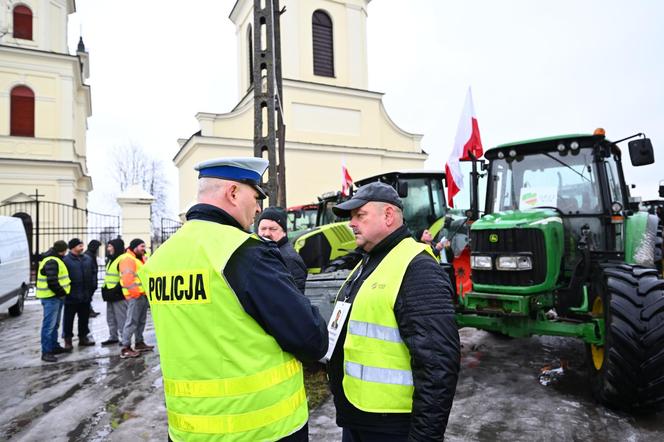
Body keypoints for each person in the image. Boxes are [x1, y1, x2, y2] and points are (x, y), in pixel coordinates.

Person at [140, 157, 328, 442]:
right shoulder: (245, 252)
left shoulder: (160, 259)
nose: (258, 208)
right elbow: (310, 337)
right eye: (255, 197)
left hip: (189, 429)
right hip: (261, 428)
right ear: (232, 193)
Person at [327, 182, 460, 441]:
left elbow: (438, 364)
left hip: (391, 427)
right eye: (351, 217)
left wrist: (425, 437)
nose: (351, 223)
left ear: (388, 215)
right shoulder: (369, 261)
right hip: (358, 418)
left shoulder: (417, 268)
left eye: (359, 215)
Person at [257, 206, 308, 293]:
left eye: (273, 229)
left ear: (284, 232)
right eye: (263, 229)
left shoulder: (288, 259)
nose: (266, 233)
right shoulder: (269, 252)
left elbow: (295, 296)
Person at [36, 240, 71, 362]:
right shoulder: (52, 261)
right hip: (52, 297)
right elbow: (52, 281)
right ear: (62, 250)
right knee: (49, 326)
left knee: (54, 324)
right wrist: (62, 293)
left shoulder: (54, 259)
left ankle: (54, 346)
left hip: (55, 297)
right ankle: (46, 352)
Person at [119, 238, 153, 358]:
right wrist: (135, 293)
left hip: (142, 295)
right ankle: (125, 347)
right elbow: (127, 279)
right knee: (132, 321)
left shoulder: (139, 259)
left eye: (144, 247)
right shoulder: (128, 259)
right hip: (135, 296)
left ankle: (139, 342)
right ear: (134, 247)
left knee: (141, 321)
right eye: (141, 246)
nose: (144, 249)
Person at [63, 238, 96, 349]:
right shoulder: (66, 260)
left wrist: (92, 287)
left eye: (82, 245)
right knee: (68, 319)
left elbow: (93, 273)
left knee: (84, 318)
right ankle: (68, 340)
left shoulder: (87, 259)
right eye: (79, 245)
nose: (82, 247)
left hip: (85, 295)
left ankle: (83, 337)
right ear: (72, 247)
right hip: (71, 296)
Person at [100, 238, 127, 346]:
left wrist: (117, 290)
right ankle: (113, 336)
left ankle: (124, 338)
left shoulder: (122, 259)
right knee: (110, 317)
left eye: (110, 246)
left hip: (118, 294)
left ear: (116, 247)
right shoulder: (110, 259)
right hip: (110, 293)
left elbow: (124, 278)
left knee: (121, 317)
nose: (108, 248)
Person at [85, 240, 102, 318]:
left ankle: (90, 311)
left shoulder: (91, 254)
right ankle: (88, 312)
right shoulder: (88, 255)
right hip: (89, 281)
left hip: (92, 280)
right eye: (97, 247)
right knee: (88, 297)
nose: (98, 249)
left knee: (89, 297)